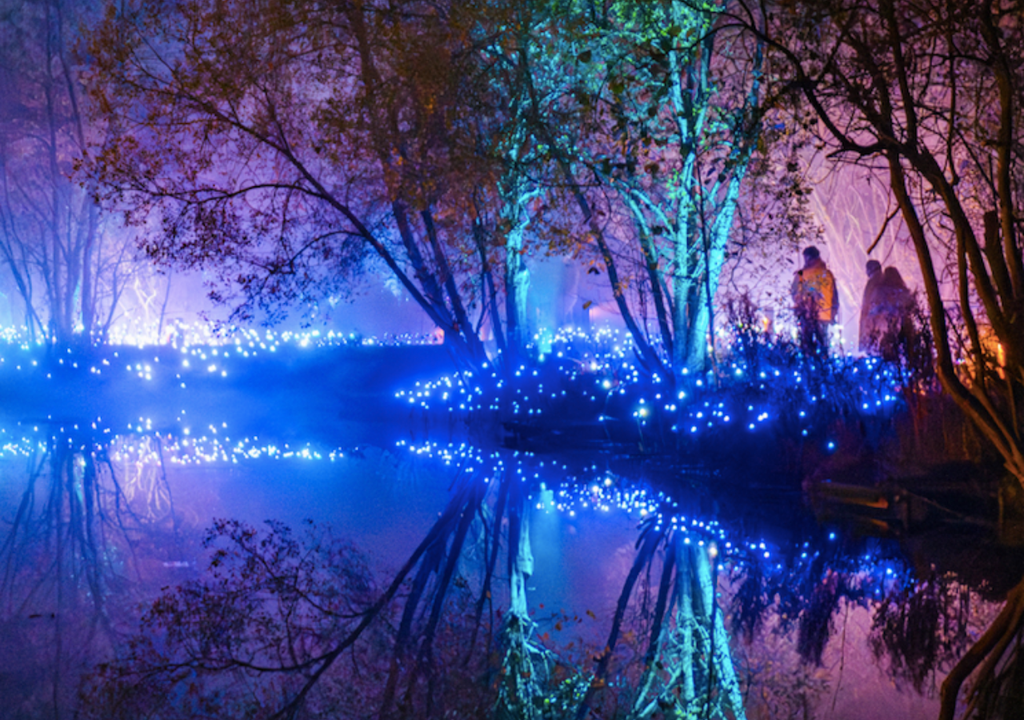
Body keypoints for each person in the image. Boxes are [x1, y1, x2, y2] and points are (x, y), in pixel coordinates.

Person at [791, 246, 839, 352]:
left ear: (807, 258)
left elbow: (794, 293)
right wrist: (833, 314)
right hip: (825, 316)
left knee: (807, 347)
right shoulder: (828, 274)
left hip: (807, 315)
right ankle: (823, 366)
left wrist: (800, 307)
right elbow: (835, 297)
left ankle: (808, 365)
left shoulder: (802, 274)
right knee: (823, 346)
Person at [858, 259, 885, 352]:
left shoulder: (872, 283)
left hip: (873, 322)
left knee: (873, 348)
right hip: (883, 323)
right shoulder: (885, 279)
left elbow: (866, 306)